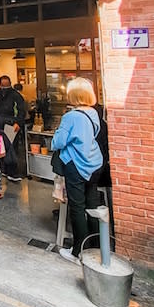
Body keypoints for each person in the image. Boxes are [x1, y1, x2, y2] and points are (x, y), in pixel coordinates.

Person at [52, 77, 104, 265]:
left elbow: (58, 142)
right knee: (92, 205)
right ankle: (96, 245)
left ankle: (77, 251)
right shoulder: (93, 113)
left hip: (76, 164)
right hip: (94, 162)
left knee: (77, 207)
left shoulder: (71, 116)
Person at [0, 75, 27, 182]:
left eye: (6, 85)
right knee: (0, 149)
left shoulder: (15, 95)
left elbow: (21, 110)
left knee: (12, 148)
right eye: (3, 85)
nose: (4, 87)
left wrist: (18, 122)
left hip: (12, 125)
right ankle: (3, 169)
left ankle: (12, 172)